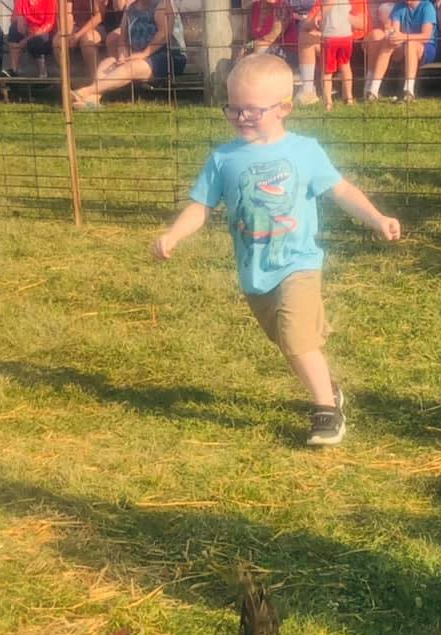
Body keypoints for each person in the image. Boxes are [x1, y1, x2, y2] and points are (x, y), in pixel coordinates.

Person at [152, 53, 400, 446]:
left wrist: (377, 217)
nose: (240, 117)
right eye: (232, 108)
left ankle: (326, 411)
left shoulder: (304, 151)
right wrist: (174, 235)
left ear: (284, 108)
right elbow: (201, 206)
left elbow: (340, 190)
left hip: (298, 264)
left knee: (296, 336)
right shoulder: (224, 159)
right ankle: (328, 386)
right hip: (255, 272)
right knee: (291, 341)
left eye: (251, 110)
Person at [70, 0, 185, 108]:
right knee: (108, 62)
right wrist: (122, 53)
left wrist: (144, 54)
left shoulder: (163, 4)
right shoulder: (130, 8)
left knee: (131, 67)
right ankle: (93, 99)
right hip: (138, 57)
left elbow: (164, 34)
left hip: (166, 56)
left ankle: (86, 91)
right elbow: (123, 38)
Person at [364, 0, 437, 102]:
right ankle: (373, 90)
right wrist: (393, 36)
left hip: (425, 46)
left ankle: (409, 90)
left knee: (410, 44)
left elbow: (425, 37)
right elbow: (395, 30)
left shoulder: (427, 7)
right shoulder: (399, 6)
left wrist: (402, 37)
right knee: (388, 43)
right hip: (404, 43)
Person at [52, 0, 130, 80]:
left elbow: (99, 16)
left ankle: (95, 78)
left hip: (100, 26)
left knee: (86, 40)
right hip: (77, 26)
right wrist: (67, 34)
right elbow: (68, 14)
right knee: (58, 40)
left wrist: (78, 35)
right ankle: (70, 78)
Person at [320, 0, 358, 108]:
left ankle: (328, 101)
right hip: (346, 36)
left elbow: (323, 13)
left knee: (327, 71)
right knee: (346, 65)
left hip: (330, 36)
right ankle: (349, 97)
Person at [5, 0, 56, 76]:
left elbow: (49, 23)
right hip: (27, 27)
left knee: (35, 41)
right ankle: (14, 70)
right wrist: (19, 18)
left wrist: (27, 39)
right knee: (13, 30)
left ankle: (43, 72)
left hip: (43, 30)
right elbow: (14, 18)